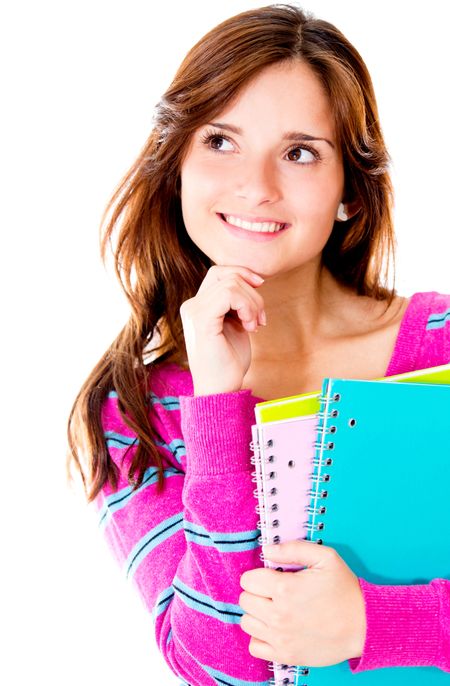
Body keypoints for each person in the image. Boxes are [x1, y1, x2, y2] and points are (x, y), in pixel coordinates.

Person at [67, 4, 450, 684]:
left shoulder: (442, 342)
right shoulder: (132, 415)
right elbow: (217, 671)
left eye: (299, 152)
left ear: (350, 194)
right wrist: (217, 402)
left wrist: (373, 621)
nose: (256, 186)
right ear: (177, 163)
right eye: (220, 141)